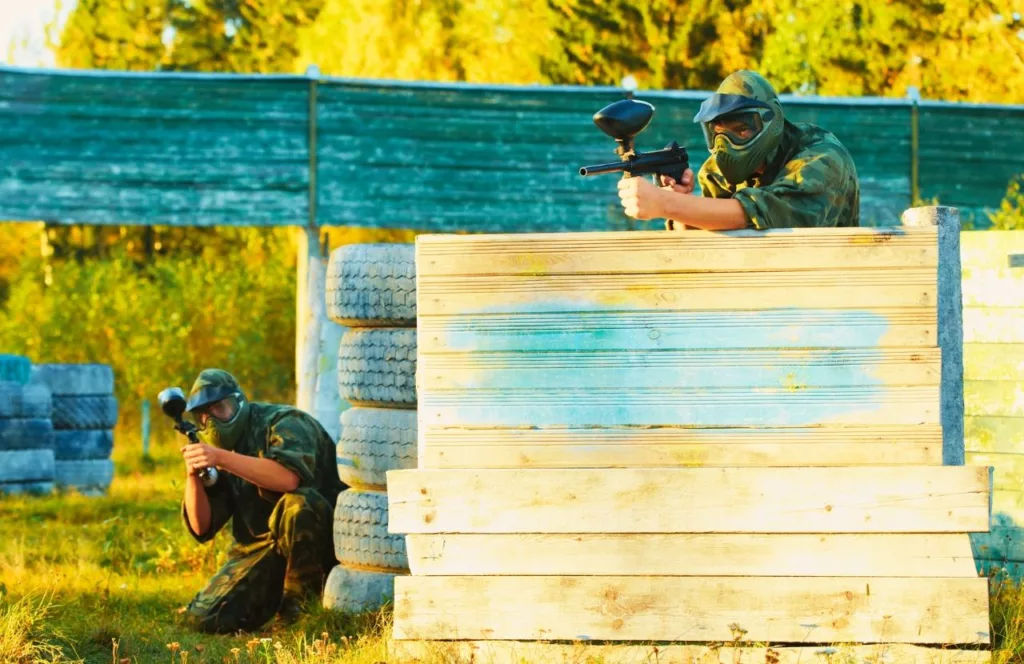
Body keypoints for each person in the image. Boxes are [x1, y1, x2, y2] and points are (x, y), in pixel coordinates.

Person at [176, 368, 347, 633]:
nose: (212, 422)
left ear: (239, 402)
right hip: (261, 550)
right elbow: (202, 527)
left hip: (321, 545)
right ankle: (278, 602)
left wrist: (220, 458)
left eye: (220, 408)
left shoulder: (285, 422)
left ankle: (299, 613)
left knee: (299, 505)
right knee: (203, 619)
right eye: (203, 415)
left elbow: (288, 479)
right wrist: (193, 476)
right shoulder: (221, 453)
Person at [617, 69, 860, 230]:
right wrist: (681, 205)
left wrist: (666, 204)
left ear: (772, 121)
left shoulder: (822, 158)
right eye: (718, 132)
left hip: (829, 294)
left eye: (741, 129)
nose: (725, 143)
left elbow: (760, 213)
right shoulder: (717, 171)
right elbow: (711, 234)